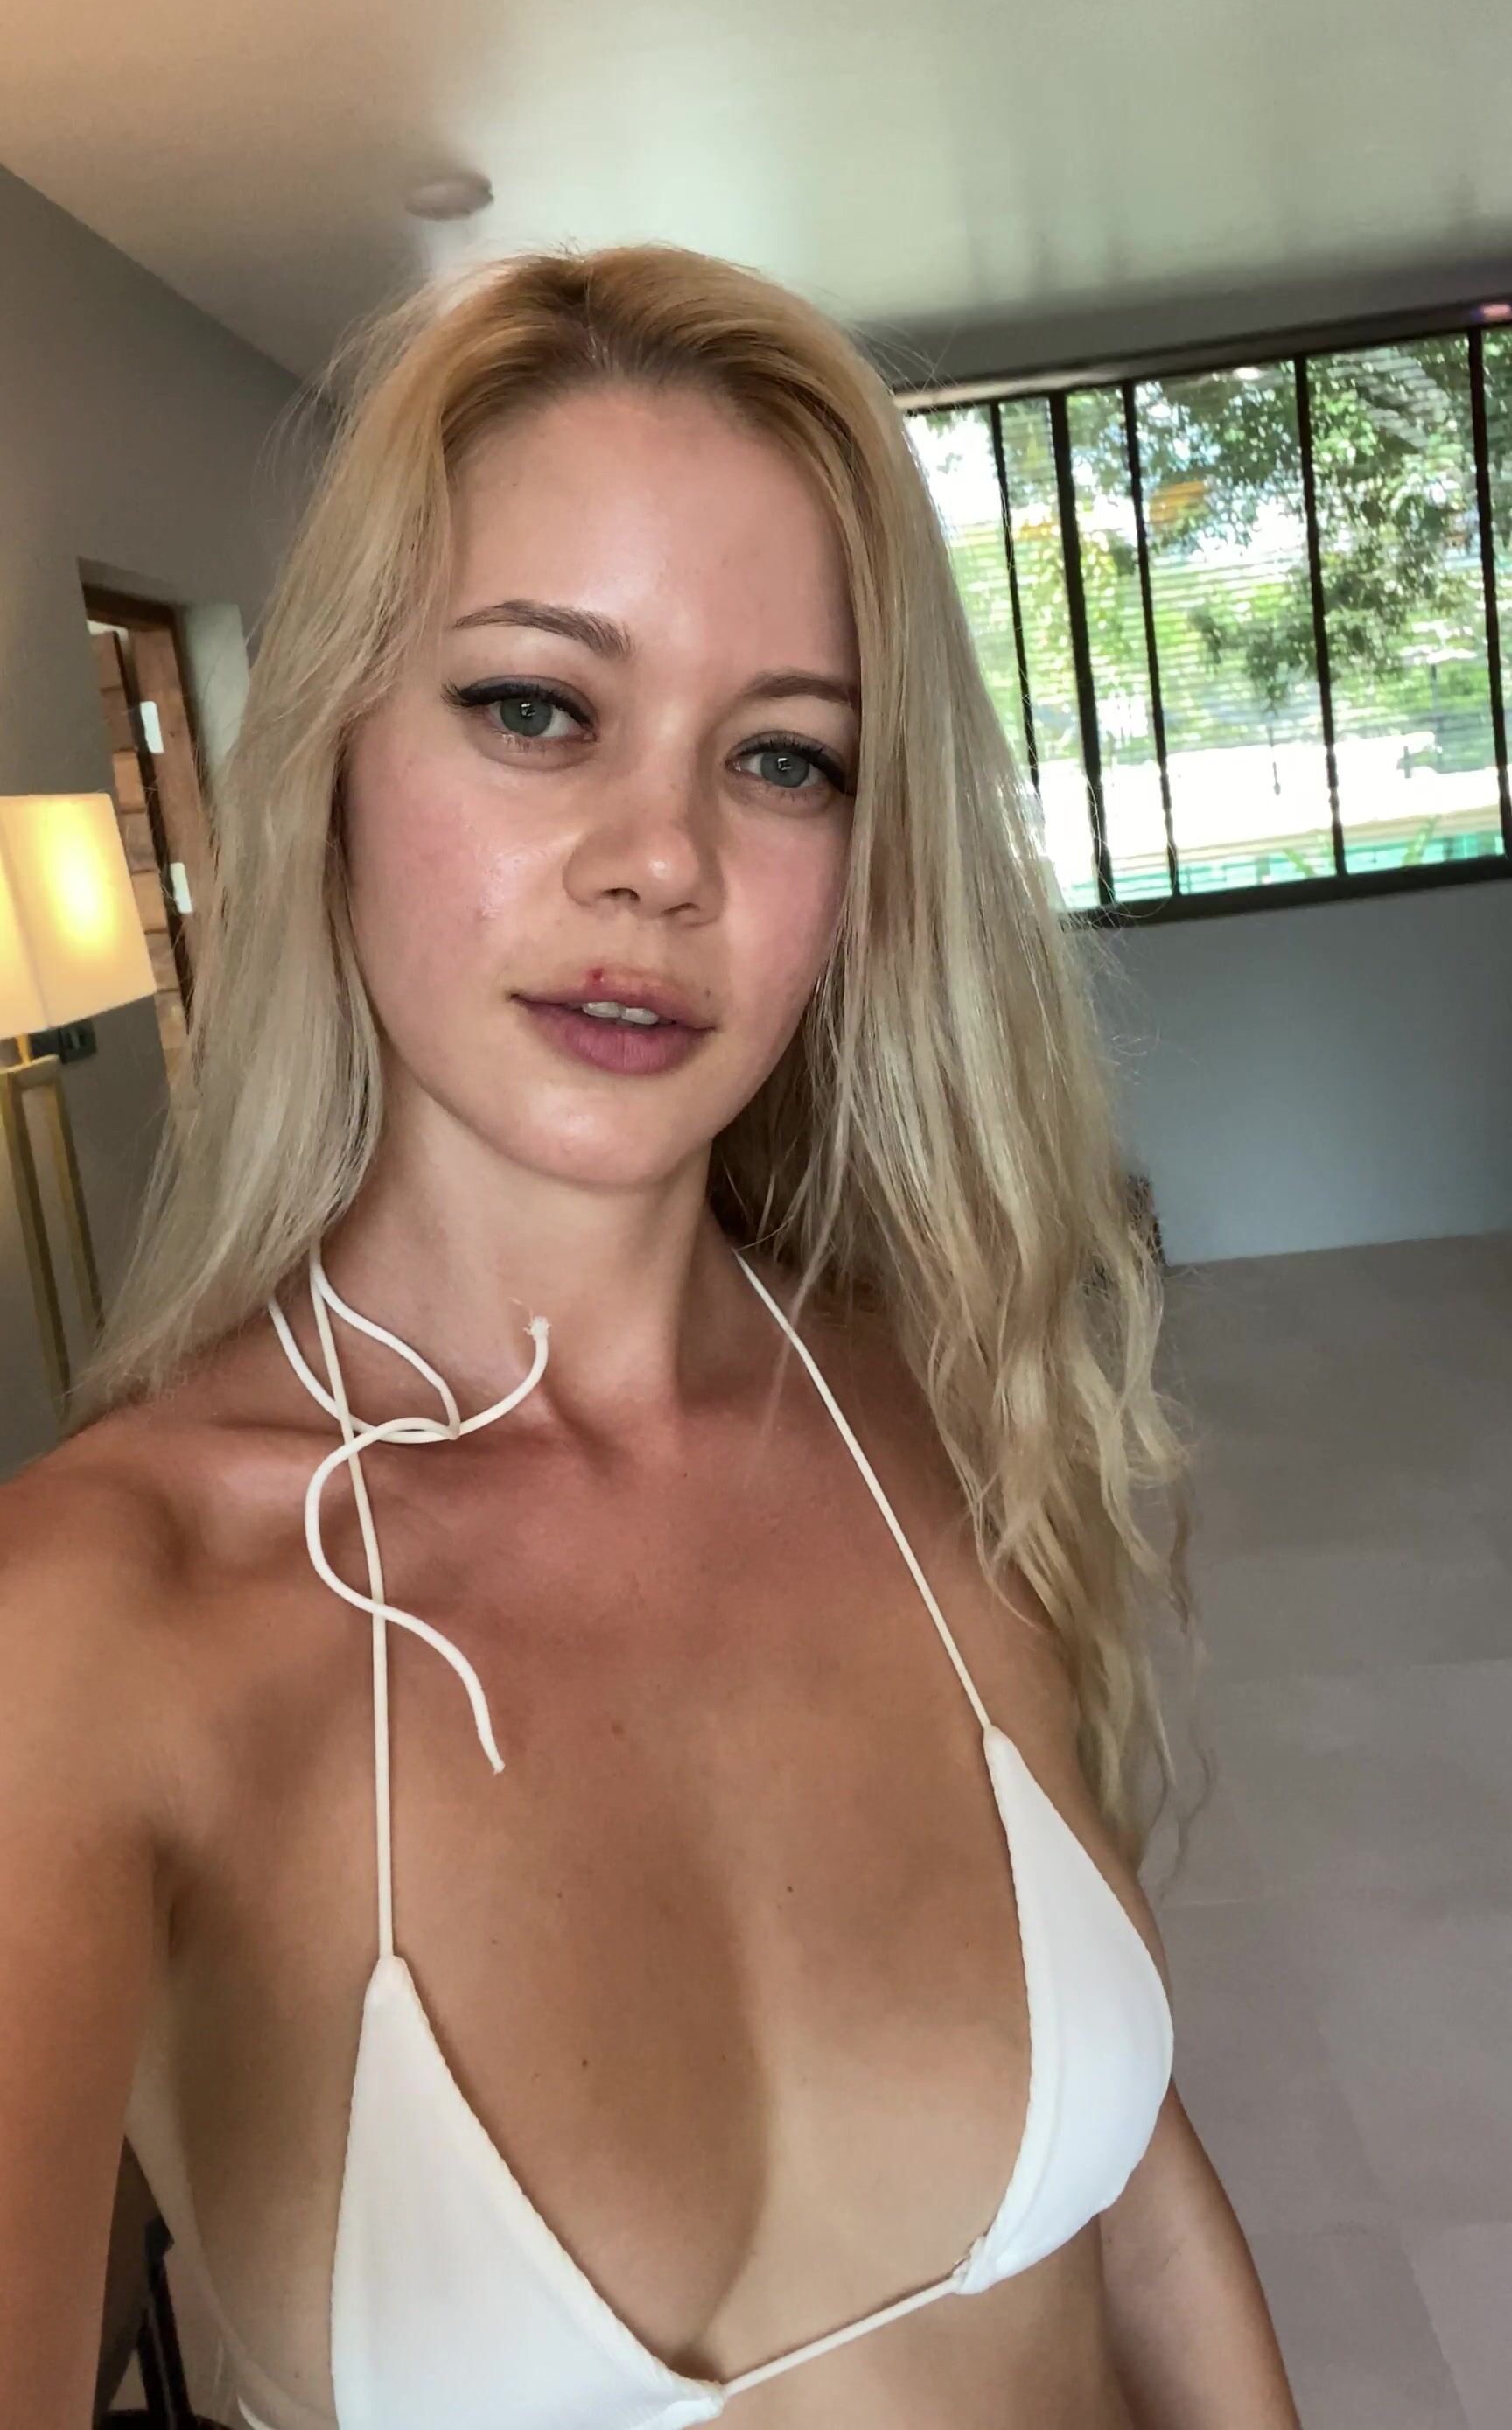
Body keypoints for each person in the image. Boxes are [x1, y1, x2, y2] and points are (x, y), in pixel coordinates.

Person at [0, 244, 1299, 2429]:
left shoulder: (937, 1398)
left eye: (784, 757)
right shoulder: (91, 1634)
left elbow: (1137, 2199)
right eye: (537, 708)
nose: (661, 860)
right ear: (330, 758)